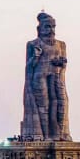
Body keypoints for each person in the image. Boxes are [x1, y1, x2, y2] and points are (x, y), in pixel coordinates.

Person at [22, 12, 72, 141]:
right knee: (43, 106)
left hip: (57, 76)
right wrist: (36, 56)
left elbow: (65, 63)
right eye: (48, 27)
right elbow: (28, 67)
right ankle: (44, 136)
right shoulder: (33, 44)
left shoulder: (61, 45)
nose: (51, 30)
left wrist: (62, 63)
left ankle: (60, 135)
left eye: (53, 27)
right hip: (39, 77)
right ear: (40, 29)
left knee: (61, 103)